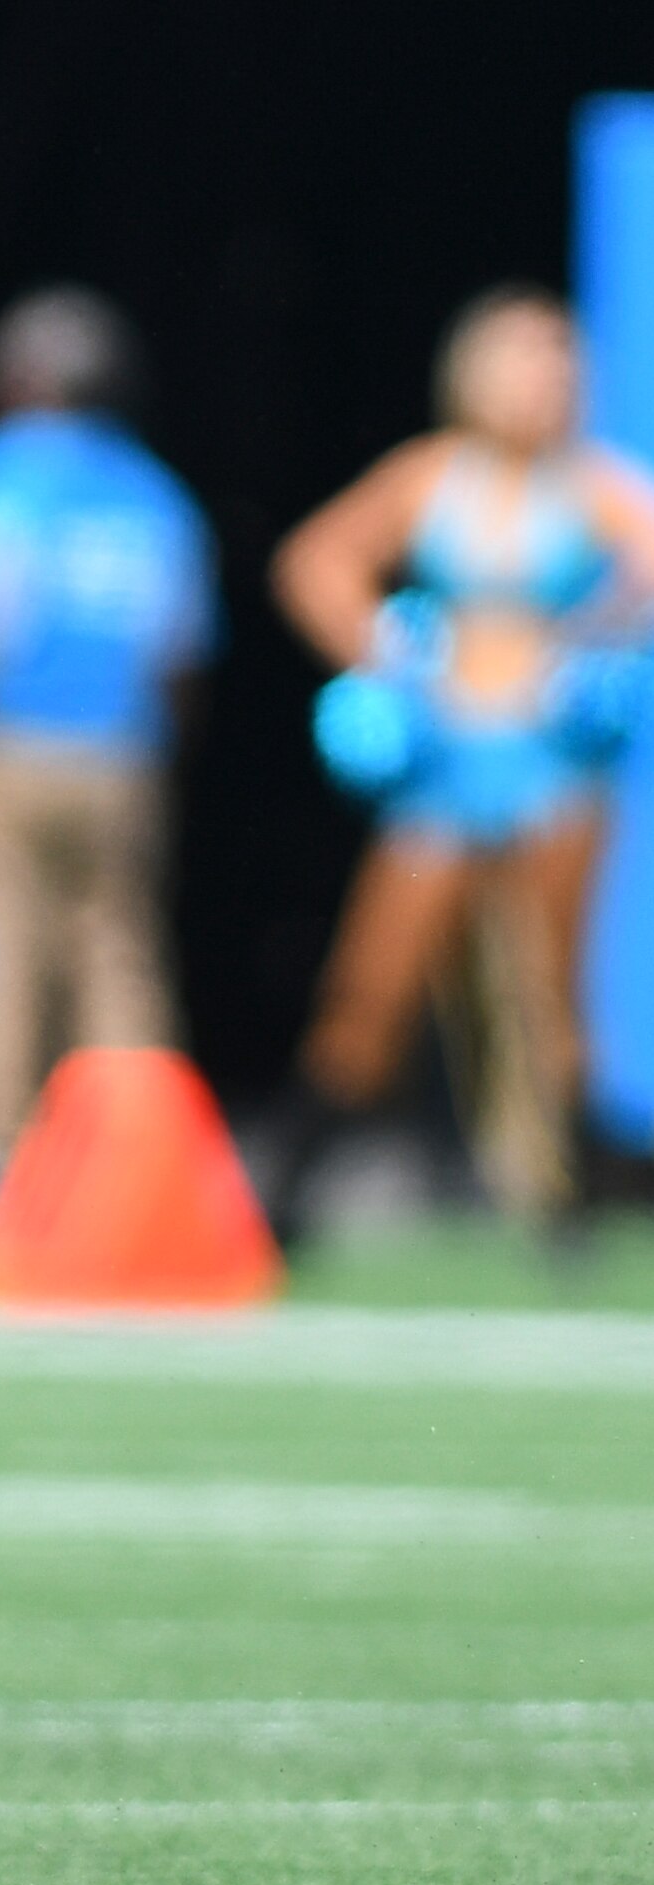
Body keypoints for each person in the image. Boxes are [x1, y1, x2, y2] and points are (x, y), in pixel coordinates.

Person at [260, 286, 654, 1244]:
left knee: (546, 990)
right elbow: (311, 561)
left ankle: (570, 1204)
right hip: (443, 762)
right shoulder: (433, 477)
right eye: (524, 358)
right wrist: (388, 649)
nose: (543, 380)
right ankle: (286, 1200)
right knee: (374, 984)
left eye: (558, 362)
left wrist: (591, 645)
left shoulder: (597, 485)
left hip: (548, 763)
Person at [0, 286, 216, 1180]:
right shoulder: (155, 493)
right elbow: (178, 655)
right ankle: (136, 1146)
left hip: (0, 741)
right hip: (118, 747)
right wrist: (162, 748)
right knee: (120, 950)